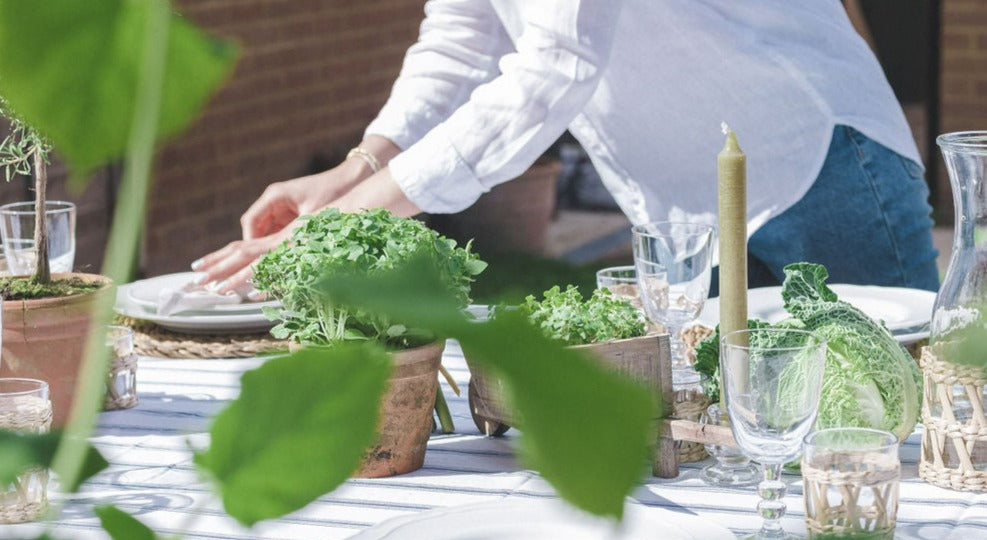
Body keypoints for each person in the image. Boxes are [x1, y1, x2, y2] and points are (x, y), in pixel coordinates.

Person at [193, 0, 940, 296]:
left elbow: (554, 67)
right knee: (731, 450)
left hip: (818, 160)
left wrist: (364, 211)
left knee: (894, 430)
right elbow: (462, 35)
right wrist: (361, 164)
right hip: (686, 205)